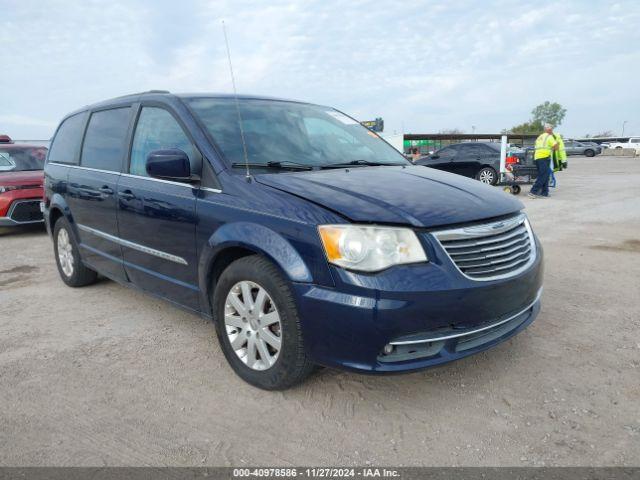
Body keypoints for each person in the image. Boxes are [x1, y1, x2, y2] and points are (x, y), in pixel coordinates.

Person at [529, 123, 558, 198]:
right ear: (549, 129)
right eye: (551, 129)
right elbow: (556, 147)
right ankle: (533, 191)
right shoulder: (549, 136)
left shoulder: (540, 136)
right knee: (543, 175)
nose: (552, 130)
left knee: (546, 175)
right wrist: (556, 144)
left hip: (537, 157)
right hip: (544, 157)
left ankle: (544, 193)